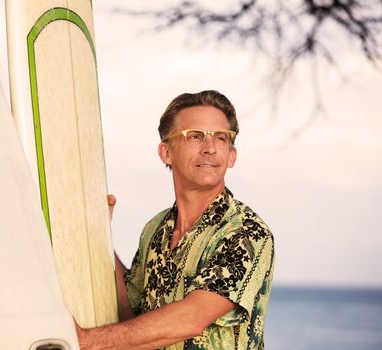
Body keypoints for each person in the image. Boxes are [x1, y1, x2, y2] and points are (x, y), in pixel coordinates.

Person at [77, 90, 275, 349]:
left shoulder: (247, 231)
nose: (210, 148)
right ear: (166, 152)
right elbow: (132, 314)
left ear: (232, 155)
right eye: (195, 136)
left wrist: (85, 341)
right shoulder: (155, 229)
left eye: (221, 138)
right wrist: (101, 235)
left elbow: (191, 318)